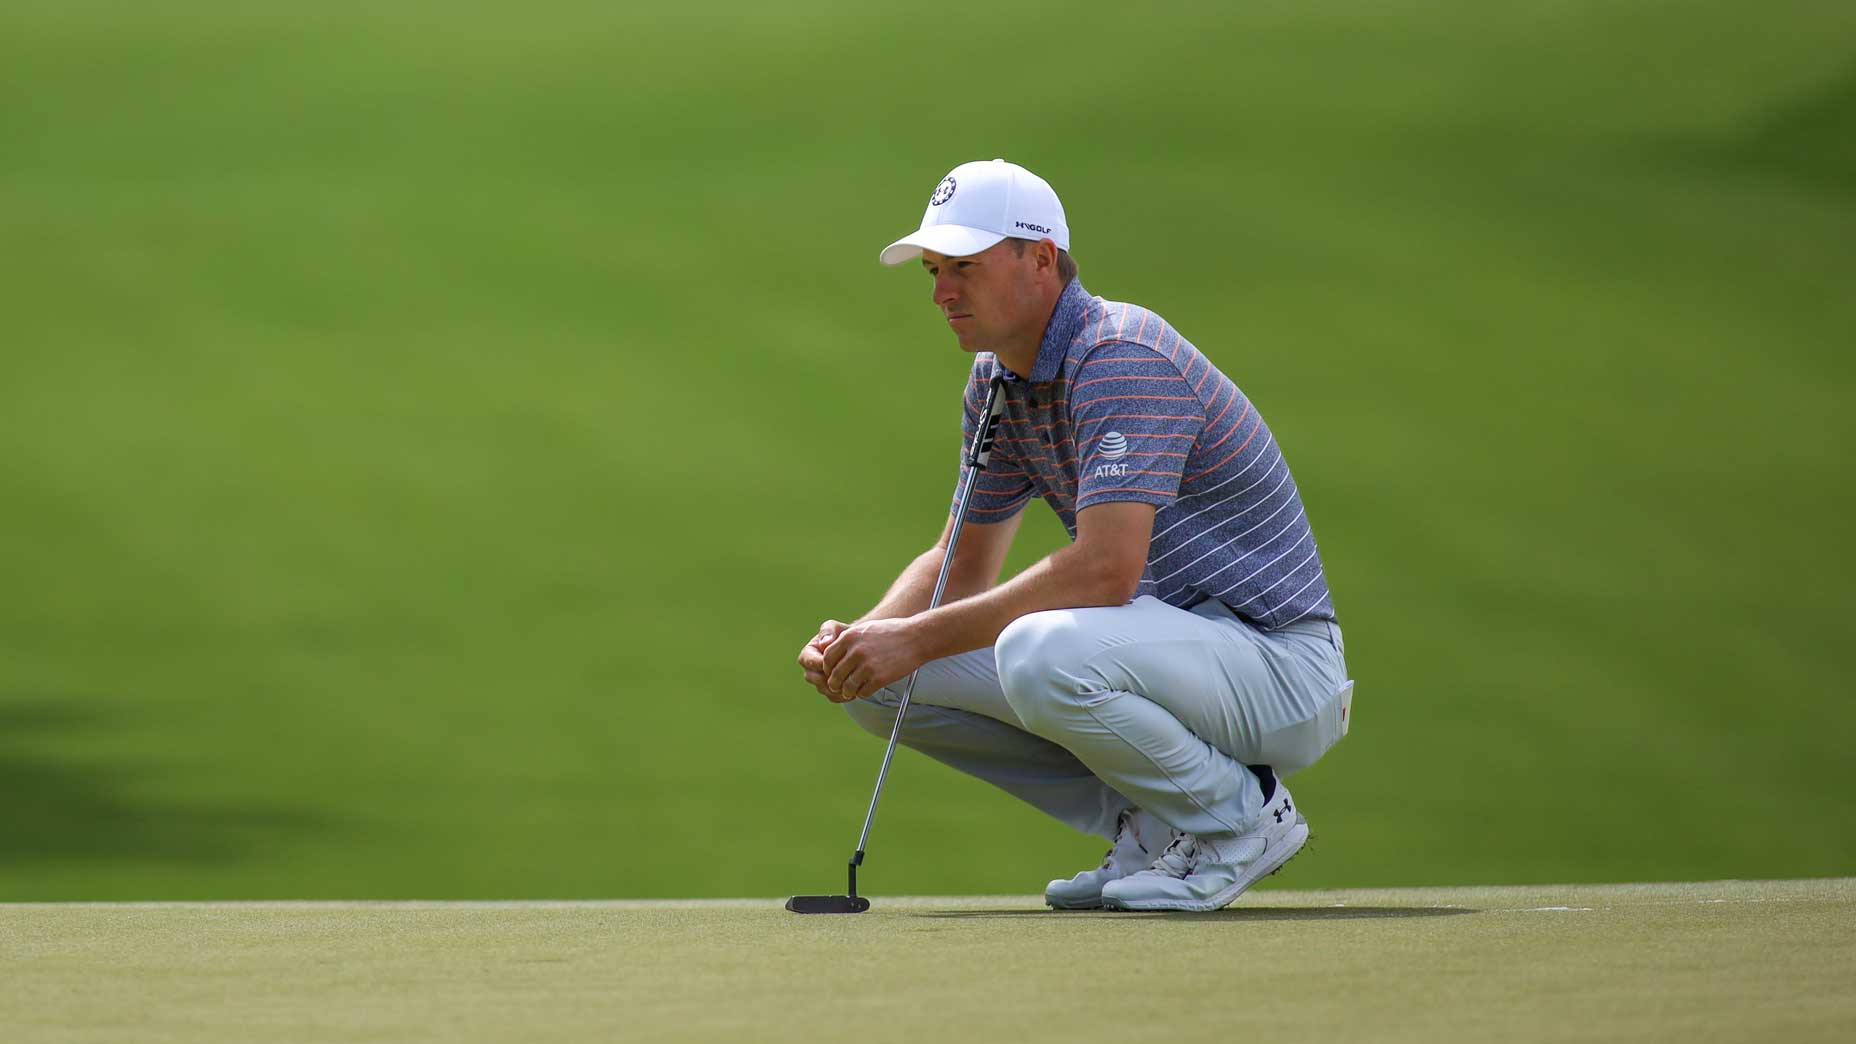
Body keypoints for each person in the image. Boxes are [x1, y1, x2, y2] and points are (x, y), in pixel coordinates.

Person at [796, 159, 1354, 912]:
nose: (941, 293)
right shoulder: (998, 380)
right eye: (933, 270)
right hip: (1171, 657)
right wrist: (865, 640)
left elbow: (1106, 570)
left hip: (1280, 668)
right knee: (878, 682)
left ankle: (1239, 818)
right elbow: (962, 560)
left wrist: (916, 636)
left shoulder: (1119, 355)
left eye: (964, 266)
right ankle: (1157, 825)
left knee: (1039, 652)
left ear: (1041, 259)